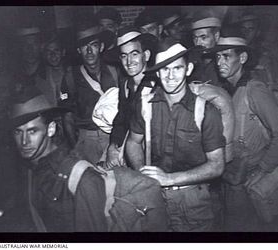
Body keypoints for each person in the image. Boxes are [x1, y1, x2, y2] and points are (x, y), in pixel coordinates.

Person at [126, 38, 226, 231]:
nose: (170, 76)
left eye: (177, 68)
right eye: (165, 69)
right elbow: (133, 142)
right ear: (157, 72)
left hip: (192, 202)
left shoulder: (206, 111)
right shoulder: (145, 105)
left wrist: (170, 179)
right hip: (153, 198)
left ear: (188, 69)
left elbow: (217, 165)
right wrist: (143, 172)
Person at [213, 33, 278, 231]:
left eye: (226, 56)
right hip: (230, 177)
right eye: (217, 57)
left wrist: (262, 169)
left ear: (242, 58)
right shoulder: (225, 90)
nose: (219, 62)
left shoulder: (254, 90)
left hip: (248, 180)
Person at [9, 84, 108, 232]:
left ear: (51, 129)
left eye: (32, 131)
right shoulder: (30, 171)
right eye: (18, 132)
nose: (24, 141)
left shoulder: (81, 178)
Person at [106, 26, 157, 169]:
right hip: (129, 152)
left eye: (134, 54)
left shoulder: (155, 84)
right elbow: (121, 118)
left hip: (151, 154)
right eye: (124, 56)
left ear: (146, 55)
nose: (129, 61)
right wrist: (113, 145)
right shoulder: (125, 84)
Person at [72, 21, 119, 164]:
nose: (90, 51)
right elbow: (67, 118)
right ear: (79, 50)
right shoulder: (70, 77)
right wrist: (75, 148)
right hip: (87, 139)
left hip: (113, 136)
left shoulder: (115, 71)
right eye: (85, 46)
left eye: (94, 45)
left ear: (101, 47)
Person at [34, 32, 78, 147]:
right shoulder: (40, 78)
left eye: (56, 51)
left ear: (63, 52)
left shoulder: (73, 73)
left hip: (74, 126)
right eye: (49, 52)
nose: (53, 55)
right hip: (52, 130)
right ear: (44, 55)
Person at [188, 11, 222, 86]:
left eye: (203, 37)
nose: (198, 43)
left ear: (216, 36)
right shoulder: (192, 63)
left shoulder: (223, 65)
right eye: (195, 38)